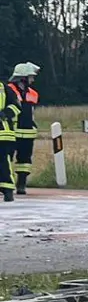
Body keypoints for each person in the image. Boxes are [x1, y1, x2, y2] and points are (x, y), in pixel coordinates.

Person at [0, 64, 32, 202]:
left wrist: (4, 114)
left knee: (3, 163)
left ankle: (8, 190)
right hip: (7, 133)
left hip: (4, 132)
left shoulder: (4, 88)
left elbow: (16, 106)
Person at [8, 63, 40, 194]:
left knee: (25, 161)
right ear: (22, 78)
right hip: (11, 132)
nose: (32, 80)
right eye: (30, 77)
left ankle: (21, 184)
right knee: (7, 158)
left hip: (28, 133)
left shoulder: (33, 93)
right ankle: (6, 184)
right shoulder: (8, 90)